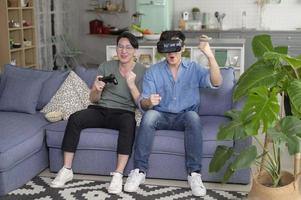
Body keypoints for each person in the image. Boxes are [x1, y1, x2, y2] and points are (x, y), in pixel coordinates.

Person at [124, 30, 222, 197]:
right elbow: (144, 104)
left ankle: (194, 174)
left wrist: (210, 56)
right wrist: (149, 102)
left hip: (186, 115)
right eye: (168, 48)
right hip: (161, 115)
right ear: (163, 49)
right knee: (149, 117)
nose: (172, 53)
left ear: (182, 48)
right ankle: (139, 170)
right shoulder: (153, 72)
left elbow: (217, 81)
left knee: (193, 117)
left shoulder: (193, 68)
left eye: (176, 47)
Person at [50, 32, 146, 194]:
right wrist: (96, 89)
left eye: (128, 47)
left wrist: (131, 85)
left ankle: (118, 174)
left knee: (129, 123)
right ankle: (66, 170)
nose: (123, 51)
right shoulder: (105, 66)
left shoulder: (142, 71)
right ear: (116, 49)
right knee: (75, 118)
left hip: (123, 112)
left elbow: (140, 102)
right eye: (120, 47)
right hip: (100, 109)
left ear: (135, 51)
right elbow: (93, 99)